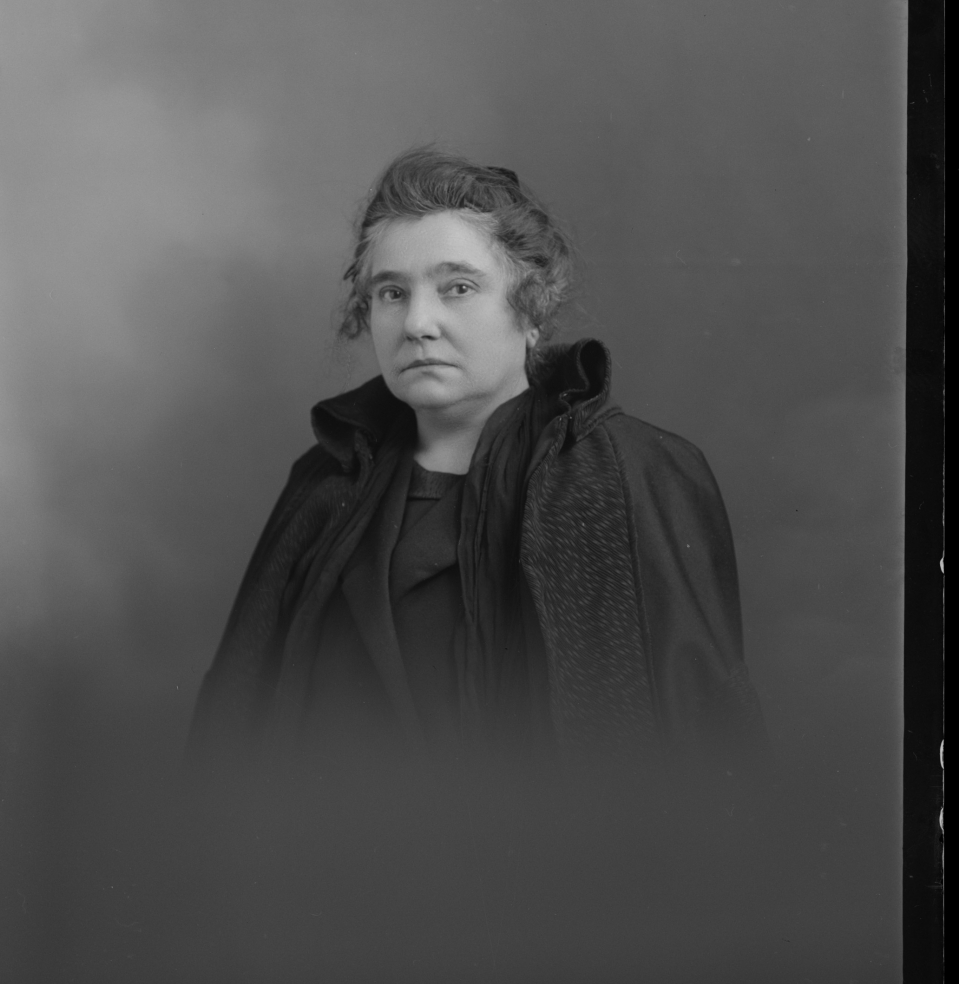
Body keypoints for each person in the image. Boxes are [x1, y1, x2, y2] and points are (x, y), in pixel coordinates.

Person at [189, 148, 764, 770]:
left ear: (531, 308)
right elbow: (234, 731)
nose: (418, 322)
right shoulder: (324, 482)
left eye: (458, 288)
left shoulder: (638, 474)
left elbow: (708, 749)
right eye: (392, 292)